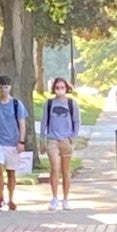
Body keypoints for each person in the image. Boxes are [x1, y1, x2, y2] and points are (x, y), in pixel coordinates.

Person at [0, 75, 28, 211]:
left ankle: (11, 199)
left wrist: (21, 141)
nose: (4, 90)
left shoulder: (16, 104)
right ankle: (0, 197)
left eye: (6, 87)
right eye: (1, 87)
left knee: (11, 173)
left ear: (10, 87)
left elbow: (22, 124)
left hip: (13, 142)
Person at [39, 77, 80, 210]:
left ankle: (65, 198)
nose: (59, 90)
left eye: (62, 87)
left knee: (65, 170)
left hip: (66, 139)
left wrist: (73, 138)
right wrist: (42, 139)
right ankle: (54, 197)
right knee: (55, 167)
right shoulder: (49, 103)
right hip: (52, 139)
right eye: (57, 88)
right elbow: (44, 122)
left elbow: (76, 121)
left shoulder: (71, 104)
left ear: (66, 88)